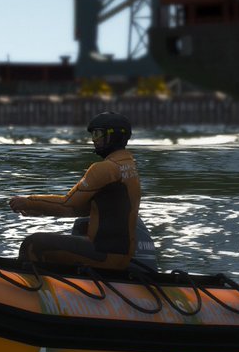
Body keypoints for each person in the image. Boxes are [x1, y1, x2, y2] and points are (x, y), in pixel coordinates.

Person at [8, 111, 141, 271]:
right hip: (122, 255)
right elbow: (82, 209)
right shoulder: (129, 166)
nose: (94, 140)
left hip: (105, 255)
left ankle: (32, 292)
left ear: (113, 135)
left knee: (32, 244)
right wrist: (39, 210)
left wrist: (28, 201)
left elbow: (66, 204)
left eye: (98, 134)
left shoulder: (105, 168)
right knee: (80, 228)